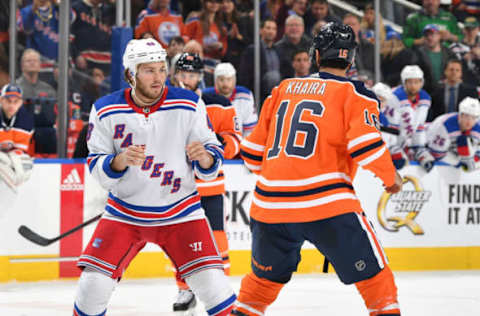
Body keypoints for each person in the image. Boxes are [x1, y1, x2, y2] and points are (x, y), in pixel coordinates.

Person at [231, 22, 403, 316]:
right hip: (328, 206)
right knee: (377, 281)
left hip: (269, 206)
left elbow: (251, 156)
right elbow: (365, 146)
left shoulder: (282, 89)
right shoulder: (357, 94)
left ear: (317, 56)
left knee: (260, 285)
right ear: (350, 59)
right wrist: (392, 177)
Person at [72, 39, 236, 316]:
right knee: (91, 290)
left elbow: (212, 150)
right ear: (130, 74)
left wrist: (206, 159)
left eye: (161, 69)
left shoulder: (189, 103)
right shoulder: (105, 109)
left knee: (217, 290)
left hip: (181, 211)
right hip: (124, 212)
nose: (158, 77)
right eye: (149, 70)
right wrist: (117, 161)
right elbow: (96, 163)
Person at [166, 52, 242, 312]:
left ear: (201, 76)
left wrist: (217, 146)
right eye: (184, 74)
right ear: (175, 74)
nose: (188, 79)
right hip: (177, 185)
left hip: (210, 185)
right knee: (180, 238)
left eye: (193, 74)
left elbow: (235, 139)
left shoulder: (217, 103)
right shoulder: (163, 103)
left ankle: (220, 287)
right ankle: (184, 288)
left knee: (216, 237)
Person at [388, 65, 435, 172]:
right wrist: (394, 147)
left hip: (407, 136)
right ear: (404, 83)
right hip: (391, 136)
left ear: (421, 83)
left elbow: (419, 125)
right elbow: (390, 127)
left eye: (417, 82)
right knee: (399, 161)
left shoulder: (425, 98)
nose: (413, 86)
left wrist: (419, 146)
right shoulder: (394, 96)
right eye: (410, 82)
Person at [0, 84, 34, 217]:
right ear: (1, 100)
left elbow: (19, 152)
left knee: (22, 165)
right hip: (5, 160)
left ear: (21, 103)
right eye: (8, 101)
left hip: (14, 160)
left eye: (16, 102)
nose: (11, 105)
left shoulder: (25, 119)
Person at [427, 96, 480, 171]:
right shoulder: (445, 126)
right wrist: (459, 163)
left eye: (473, 117)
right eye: (466, 116)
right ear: (460, 115)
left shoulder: (478, 128)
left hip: (452, 149)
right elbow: (436, 154)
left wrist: (472, 161)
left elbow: (478, 152)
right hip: (428, 141)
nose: (469, 121)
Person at [204, 62, 258, 136]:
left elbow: (250, 131)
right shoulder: (206, 97)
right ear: (215, 81)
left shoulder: (245, 96)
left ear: (234, 80)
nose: (225, 83)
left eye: (229, 79)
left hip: (239, 142)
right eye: (221, 80)